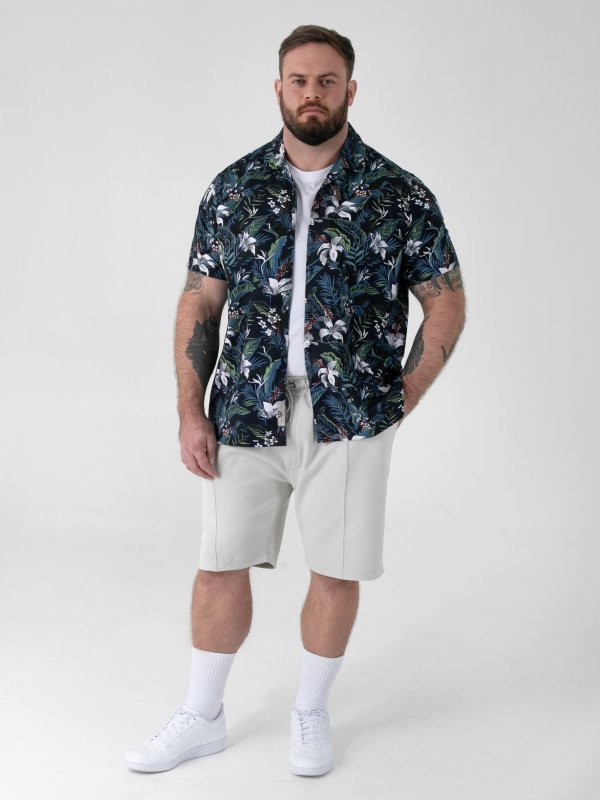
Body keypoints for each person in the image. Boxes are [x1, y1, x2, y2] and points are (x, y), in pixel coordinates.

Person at [125, 24, 466, 778]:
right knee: (220, 562)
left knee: (336, 569)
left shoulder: (399, 194)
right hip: (245, 408)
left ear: (351, 90)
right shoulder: (234, 188)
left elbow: (445, 299)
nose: (313, 94)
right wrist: (189, 410)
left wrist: (403, 394)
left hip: (352, 415)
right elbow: (199, 301)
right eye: (299, 80)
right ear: (279, 88)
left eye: (327, 80)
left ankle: (310, 711)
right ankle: (203, 715)